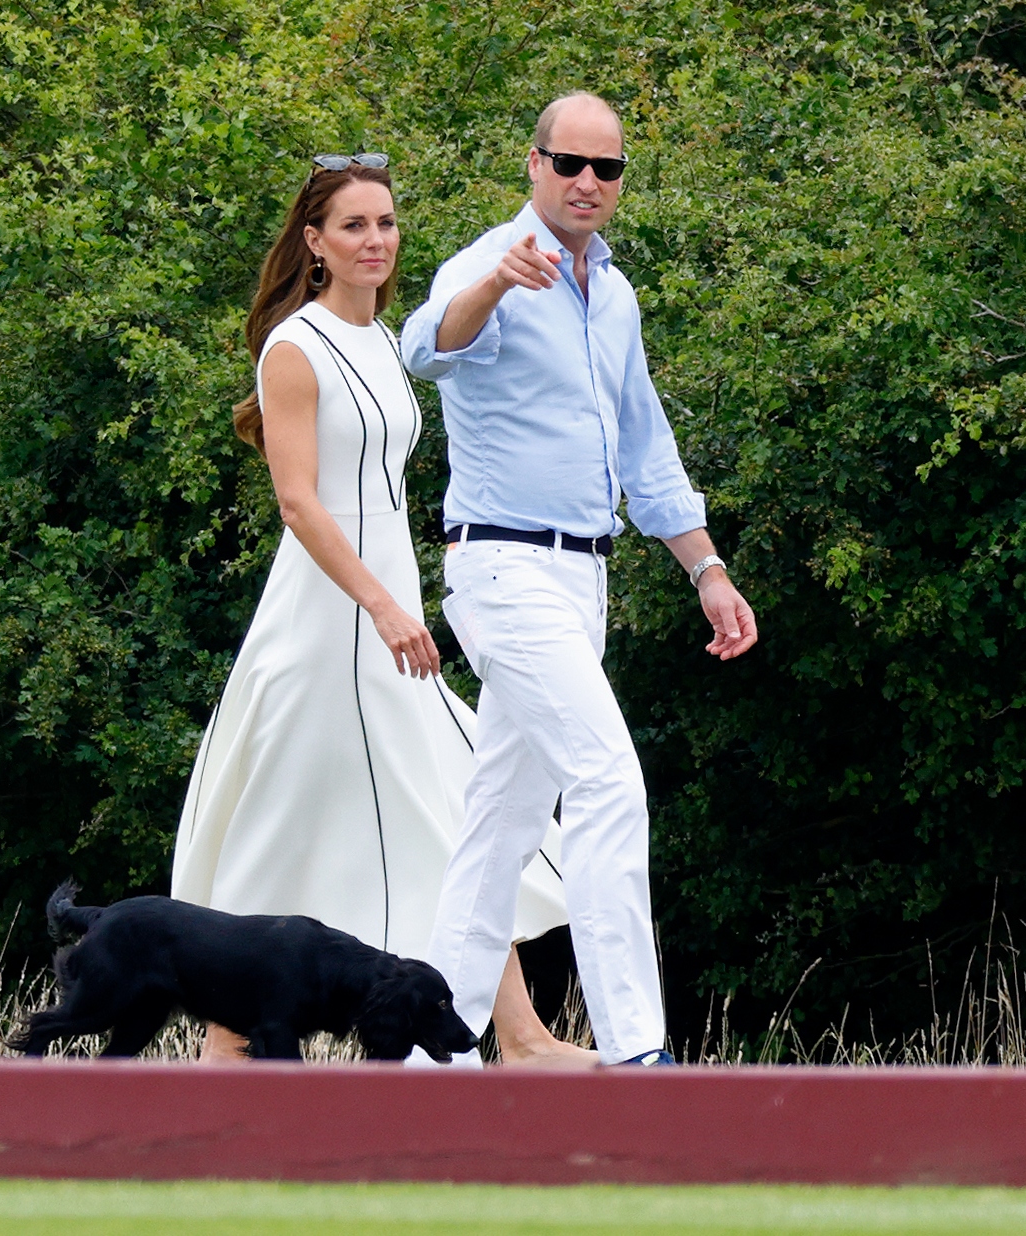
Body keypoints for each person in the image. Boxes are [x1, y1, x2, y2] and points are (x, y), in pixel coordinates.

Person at [170, 152, 591, 1067]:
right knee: (286, 826)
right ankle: (218, 1065)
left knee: (455, 797)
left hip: (387, 611)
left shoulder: (380, 339)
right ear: (314, 243)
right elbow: (300, 504)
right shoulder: (296, 346)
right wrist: (381, 606)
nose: (376, 241)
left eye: (386, 223)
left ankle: (518, 1035)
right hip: (328, 626)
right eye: (354, 225)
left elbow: (385, 487)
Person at [400, 93, 759, 1067]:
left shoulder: (619, 296)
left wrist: (706, 570)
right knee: (605, 779)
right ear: (534, 164)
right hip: (501, 567)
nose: (587, 183)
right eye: (569, 164)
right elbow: (422, 347)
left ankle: (421, 1060)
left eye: (607, 170)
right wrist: (495, 291)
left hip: (581, 582)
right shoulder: (489, 265)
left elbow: (646, 447)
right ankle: (639, 1052)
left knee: (503, 822)